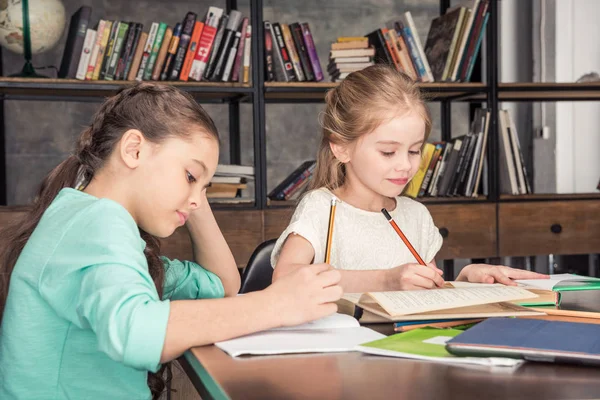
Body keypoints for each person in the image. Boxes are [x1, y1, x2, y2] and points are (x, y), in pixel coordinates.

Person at [0, 83, 342, 400]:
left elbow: (223, 285)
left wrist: (193, 192)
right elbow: (136, 333)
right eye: (190, 175)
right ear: (134, 149)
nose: (197, 199)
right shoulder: (99, 222)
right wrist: (276, 305)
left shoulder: (84, 219)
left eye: (205, 188)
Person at [272, 64, 547, 292]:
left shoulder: (416, 216)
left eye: (415, 150)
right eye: (388, 152)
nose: (405, 165)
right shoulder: (321, 207)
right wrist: (384, 281)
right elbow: (284, 279)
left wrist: (466, 281)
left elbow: (427, 293)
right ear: (342, 147)